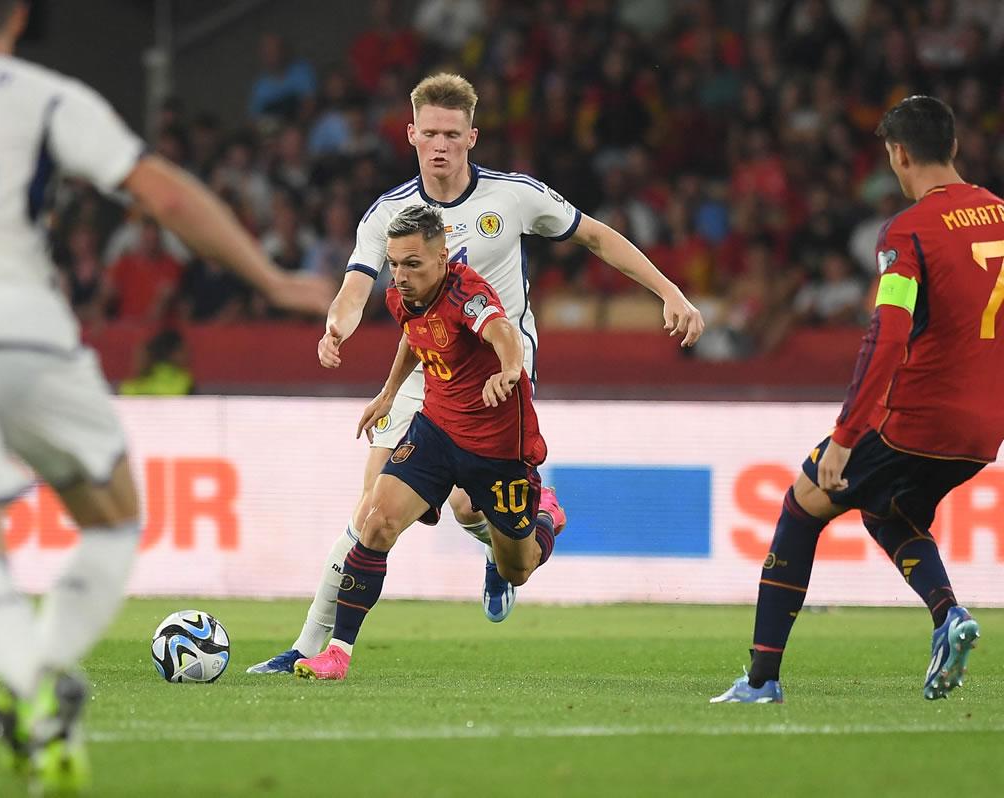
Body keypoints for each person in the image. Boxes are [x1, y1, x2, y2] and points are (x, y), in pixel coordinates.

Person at [0, 0, 329, 792]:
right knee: (115, 517)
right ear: (17, 17)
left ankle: (34, 689)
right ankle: (44, 676)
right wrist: (271, 279)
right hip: (26, 334)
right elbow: (165, 196)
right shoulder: (43, 95)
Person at [248, 73, 704, 674]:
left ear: (472, 137)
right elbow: (356, 283)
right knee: (372, 512)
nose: (440, 144)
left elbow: (593, 235)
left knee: (467, 506)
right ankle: (310, 649)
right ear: (411, 134)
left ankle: (510, 538)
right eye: (429, 133)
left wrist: (668, 291)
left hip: (498, 367)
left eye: (452, 134)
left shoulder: (512, 196)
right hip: (424, 364)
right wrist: (338, 325)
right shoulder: (389, 215)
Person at [712, 96, 996, 705]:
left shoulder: (907, 231)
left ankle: (761, 680)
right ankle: (948, 616)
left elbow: (888, 335)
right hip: (982, 431)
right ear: (954, 147)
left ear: (898, 154)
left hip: (912, 420)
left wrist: (846, 435)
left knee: (801, 504)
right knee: (887, 511)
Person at [294, 204, 565, 680]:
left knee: (517, 567)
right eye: (394, 264)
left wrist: (507, 370)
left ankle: (545, 515)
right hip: (436, 430)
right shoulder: (403, 295)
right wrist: (387, 394)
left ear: (443, 258)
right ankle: (337, 653)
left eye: (412, 264)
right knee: (376, 521)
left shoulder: (468, 294)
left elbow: (504, 333)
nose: (399, 275)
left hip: (495, 447)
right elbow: (413, 338)